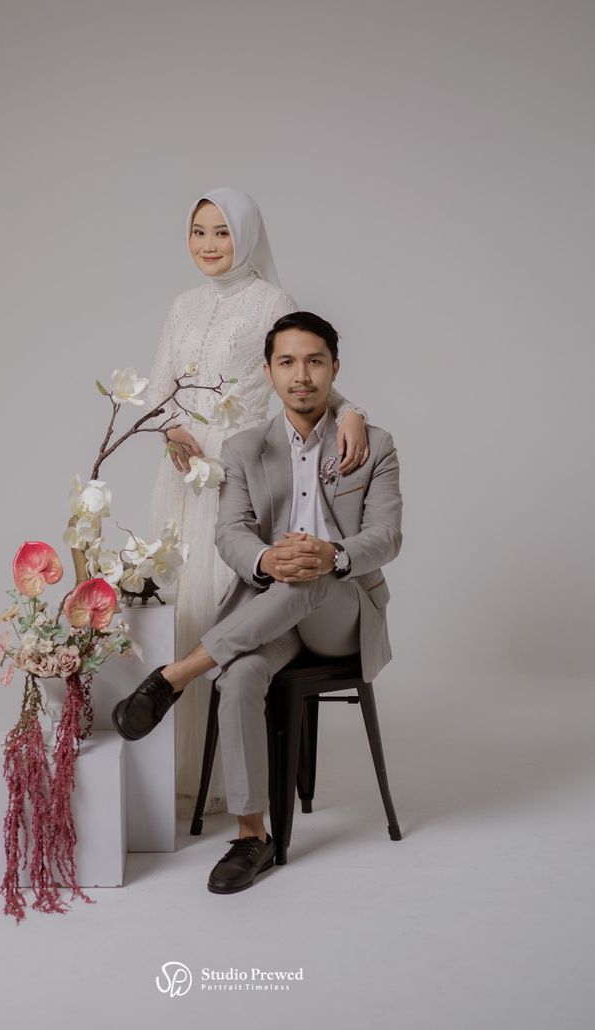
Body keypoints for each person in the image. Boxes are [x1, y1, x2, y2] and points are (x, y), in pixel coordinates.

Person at [114, 310, 403, 893]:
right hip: (268, 610)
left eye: (315, 361)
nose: (302, 375)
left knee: (311, 569)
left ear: (335, 369)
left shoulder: (374, 445)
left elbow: (387, 536)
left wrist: (332, 554)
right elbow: (231, 531)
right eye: (288, 362)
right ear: (269, 372)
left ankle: (175, 675)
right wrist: (267, 560)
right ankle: (252, 835)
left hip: (341, 609)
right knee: (240, 675)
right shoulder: (247, 449)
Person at [145, 187, 371, 820]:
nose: (210, 245)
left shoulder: (273, 301)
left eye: (222, 232)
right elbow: (159, 385)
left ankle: (229, 775)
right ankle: (179, 772)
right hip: (185, 474)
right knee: (183, 604)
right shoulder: (181, 305)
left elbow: (298, 372)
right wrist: (168, 427)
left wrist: (351, 409)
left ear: (246, 236)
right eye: (199, 232)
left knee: (233, 599)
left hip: (239, 469)